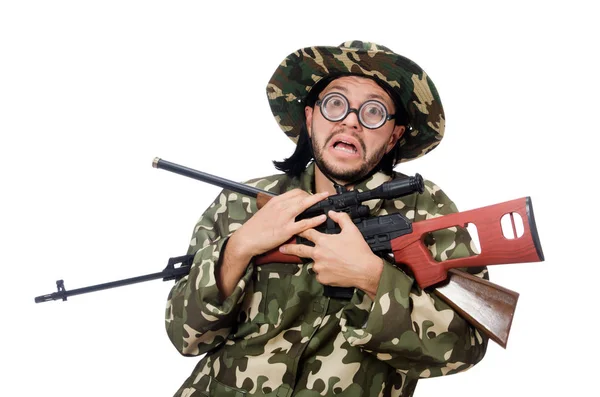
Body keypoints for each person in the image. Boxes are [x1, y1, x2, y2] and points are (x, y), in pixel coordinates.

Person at [165, 41, 488, 397]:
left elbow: (463, 348)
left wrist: (372, 278)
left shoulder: (427, 211)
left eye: (374, 112)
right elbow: (185, 337)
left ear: (395, 134)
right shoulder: (243, 203)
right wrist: (238, 249)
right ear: (310, 117)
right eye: (336, 104)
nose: (350, 121)